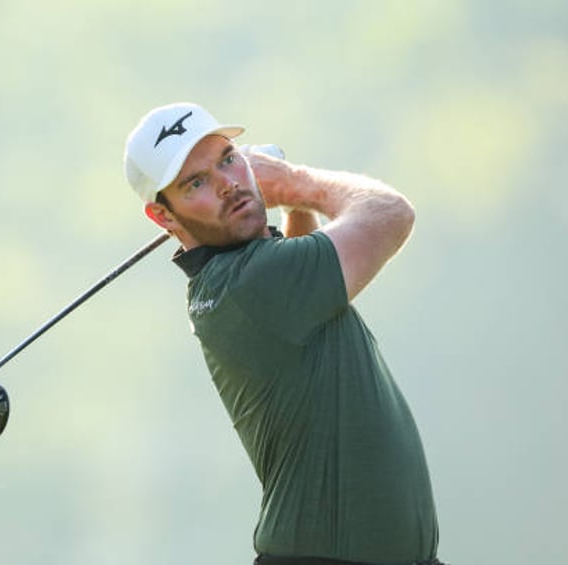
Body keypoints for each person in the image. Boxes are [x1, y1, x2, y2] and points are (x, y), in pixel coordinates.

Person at [123, 102, 444, 565]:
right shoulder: (252, 283)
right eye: (196, 183)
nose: (228, 184)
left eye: (228, 159)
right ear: (164, 217)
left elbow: (307, 281)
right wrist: (295, 183)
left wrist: (293, 204)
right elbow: (391, 215)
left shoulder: (240, 281)